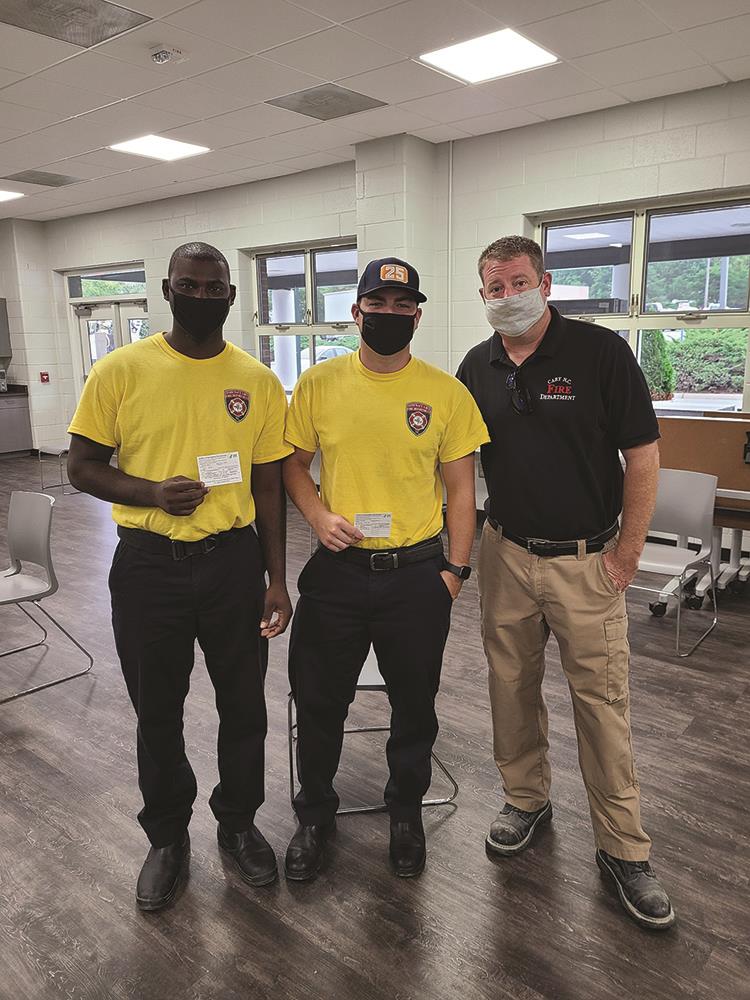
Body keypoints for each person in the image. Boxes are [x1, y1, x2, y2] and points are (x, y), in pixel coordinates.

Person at [457, 235, 675, 931]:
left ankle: (623, 849)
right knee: (510, 689)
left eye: (517, 281)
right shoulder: (476, 365)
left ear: (544, 283)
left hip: (589, 560)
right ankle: (526, 800)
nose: (506, 295)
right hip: (506, 553)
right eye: (493, 287)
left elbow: (642, 456)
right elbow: (455, 466)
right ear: (483, 294)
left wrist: (628, 555)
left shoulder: (599, 353)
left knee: (601, 703)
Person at [67, 242, 292, 910]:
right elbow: (80, 466)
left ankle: (239, 820)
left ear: (231, 295)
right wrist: (148, 493)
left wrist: (278, 578)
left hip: (232, 563)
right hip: (147, 568)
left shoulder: (255, 379)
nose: (202, 297)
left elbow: (270, 486)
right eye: (188, 286)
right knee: (156, 710)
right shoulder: (120, 370)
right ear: (167, 289)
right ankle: (167, 837)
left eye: (214, 288)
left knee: (244, 706)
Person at [283, 257, 489, 880]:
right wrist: (317, 516)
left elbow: (461, 491)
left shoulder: (446, 393)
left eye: (404, 306)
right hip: (339, 571)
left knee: (414, 705)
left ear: (417, 315)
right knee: (320, 703)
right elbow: (293, 466)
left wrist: (455, 571)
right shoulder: (318, 384)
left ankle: (406, 811)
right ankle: (314, 814)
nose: (391, 315)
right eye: (379, 303)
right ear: (358, 311)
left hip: (417, 575)